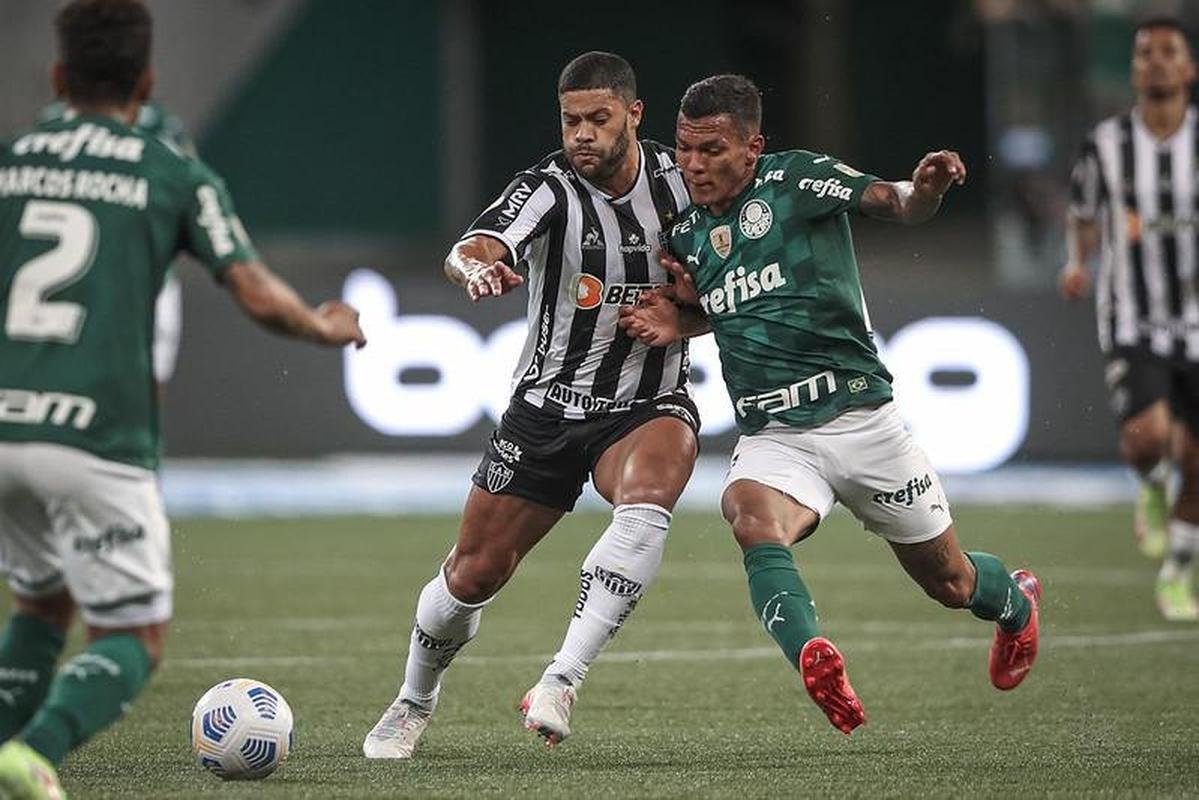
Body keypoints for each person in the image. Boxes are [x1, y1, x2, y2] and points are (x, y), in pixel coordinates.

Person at [0, 1, 366, 796]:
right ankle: (35, 755)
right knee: (133, 632)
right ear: (148, 81)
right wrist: (321, 325)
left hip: (4, 424)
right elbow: (253, 290)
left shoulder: (10, 160)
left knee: (39, 603)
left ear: (59, 77)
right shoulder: (168, 169)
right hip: (96, 433)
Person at [618, 74, 1041, 735]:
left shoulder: (795, 183)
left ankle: (1015, 605)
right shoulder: (690, 234)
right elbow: (725, 305)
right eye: (685, 150)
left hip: (863, 423)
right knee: (748, 516)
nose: (694, 166)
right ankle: (812, 654)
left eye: (712, 151)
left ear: (752, 147)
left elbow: (890, 201)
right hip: (775, 434)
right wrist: (682, 320)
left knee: (950, 583)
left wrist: (921, 189)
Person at [363, 51, 699, 758]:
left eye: (597, 119)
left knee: (647, 502)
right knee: (472, 574)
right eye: (570, 119)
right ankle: (413, 700)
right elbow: (474, 245)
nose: (581, 133)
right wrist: (476, 265)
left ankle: (560, 680)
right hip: (546, 409)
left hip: (644, 404)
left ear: (634, 115)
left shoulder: (684, 182)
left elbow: (739, 284)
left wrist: (684, 316)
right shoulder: (547, 188)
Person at [1061, 16, 1199, 621]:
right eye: (1146, 54)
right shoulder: (1107, 142)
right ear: (1135, 69)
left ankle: (1179, 572)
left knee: (1197, 460)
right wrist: (1077, 261)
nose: (1158, 62)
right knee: (1147, 438)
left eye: (1169, 52)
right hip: (1132, 318)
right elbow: (1085, 211)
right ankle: (1148, 483)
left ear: (1189, 68)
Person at [40, 99, 195, 390]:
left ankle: (143, 435)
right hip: (79, 270)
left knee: (148, 380)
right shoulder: (55, 121)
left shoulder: (161, 124)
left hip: (147, 274)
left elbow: (186, 193)